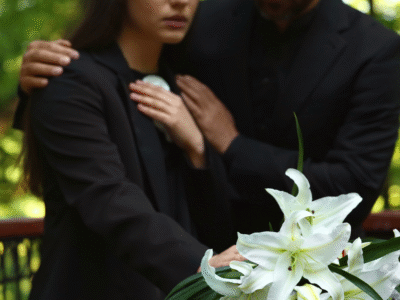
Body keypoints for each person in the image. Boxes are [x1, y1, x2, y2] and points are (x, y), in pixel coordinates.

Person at [17, 0, 400, 238]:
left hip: (311, 267)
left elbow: (353, 190)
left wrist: (231, 145)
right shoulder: (200, 16)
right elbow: (122, 67)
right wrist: (48, 73)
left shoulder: (375, 50)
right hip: (190, 255)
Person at [18, 0, 242, 299]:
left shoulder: (186, 86)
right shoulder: (70, 80)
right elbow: (105, 196)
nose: (180, 2)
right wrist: (199, 264)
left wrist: (197, 149)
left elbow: (209, 216)